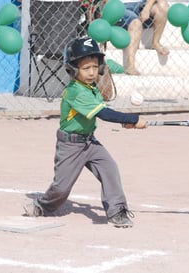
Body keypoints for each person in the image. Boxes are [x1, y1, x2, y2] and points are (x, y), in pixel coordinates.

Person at [23, 37, 148, 228]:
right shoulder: (76, 91)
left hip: (90, 142)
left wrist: (125, 123)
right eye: (85, 68)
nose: (91, 72)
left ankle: (117, 211)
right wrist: (132, 119)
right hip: (70, 145)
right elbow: (104, 113)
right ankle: (42, 205)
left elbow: (98, 112)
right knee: (61, 187)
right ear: (73, 69)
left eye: (94, 67)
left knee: (110, 169)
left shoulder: (91, 88)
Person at [116, 0, 170, 75]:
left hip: (142, 4)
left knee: (162, 5)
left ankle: (156, 42)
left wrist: (147, 8)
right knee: (135, 22)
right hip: (119, 6)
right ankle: (130, 65)